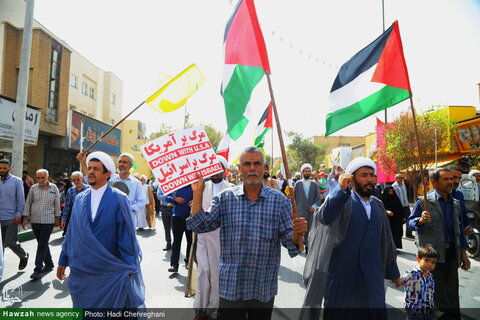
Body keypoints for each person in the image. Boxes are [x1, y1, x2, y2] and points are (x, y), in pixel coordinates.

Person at [187, 146, 308, 320]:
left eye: (257, 164)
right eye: (247, 164)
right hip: (230, 285)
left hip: (262, 286)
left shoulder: (279, 201)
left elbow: (290, 243)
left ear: (264, 168)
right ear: (240, 169)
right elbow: (200, 226)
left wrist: (297, 234)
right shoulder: (225, 198)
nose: (252, 168)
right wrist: (197, 193)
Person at [301, 157, 401, 320]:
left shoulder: (378, 205)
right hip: (344, 278)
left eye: (371, 175)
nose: (369, 179)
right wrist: (340, 190)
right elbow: (325, 217)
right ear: (351, 178)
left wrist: (394, 273)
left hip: (373, 281)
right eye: (363, 175)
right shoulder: (342, 201)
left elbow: (387, 242)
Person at [57, 151, 145, 308]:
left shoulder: (119, 198)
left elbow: (125, 235)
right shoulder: (80, 198)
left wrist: (129, 264)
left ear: (108, 174)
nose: (90, 172)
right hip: (82, 269)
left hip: (108, 267)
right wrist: (63, 259)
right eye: (90, 168)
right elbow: (72, 232)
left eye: (96, 169)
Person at [408, 168, 471, 320]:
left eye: (451, 179)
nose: (451, 182)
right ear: (434, 183)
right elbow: (411, 223)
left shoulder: (455, 203)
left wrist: (463, 253)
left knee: (451, 291)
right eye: (446, 179)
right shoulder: (424, 202)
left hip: (451, 254)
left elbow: (459, 230)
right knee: (437, 291)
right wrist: (420, 221)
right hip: (433, 255)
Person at [194, 155, 234, 320]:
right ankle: (201, 309)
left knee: (217, 274)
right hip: (203, 235)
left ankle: (216, 308)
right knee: (203, 270)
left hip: (221, 237)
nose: (215, 172)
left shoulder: (231, 188)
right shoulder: (202, 187)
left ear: (224, 170)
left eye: (219, 169)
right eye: (212, 168)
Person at [77, 152, 146, 222]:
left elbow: (142, 201)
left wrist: (130, 209)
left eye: (125, 162)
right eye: (120, 161)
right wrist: (82, 162)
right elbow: (91, 180)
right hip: (108, 219)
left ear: (131, 165)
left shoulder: (136, 183)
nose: (121, 164)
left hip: (127, 219)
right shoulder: (109, 178)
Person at [22, 169, 61, 280]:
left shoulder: (54, 188)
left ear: (47, 177)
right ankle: (49, 264)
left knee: (42, 244)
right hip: (35, 220)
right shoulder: (33, 188)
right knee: (42, 244)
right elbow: (28, 203)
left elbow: (57, 204)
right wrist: (25, 218)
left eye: (42, 177)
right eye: (38, 178)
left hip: (48, 221)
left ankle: (38, 269)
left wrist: (57, 218)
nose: (40, 180)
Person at [0, 159, 29, 271]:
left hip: (11, 217)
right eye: (0, 168)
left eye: (4, 168)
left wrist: (18, 215)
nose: (2, 170)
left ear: (10, 168)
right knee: (0, 245)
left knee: (10, 242)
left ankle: (23, 256)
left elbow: (20, 200)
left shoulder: (16, 181)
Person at [401, 245, 438, 320]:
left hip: (428, 310)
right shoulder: (412, 273)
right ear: (418, 259)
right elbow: (401, 280)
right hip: (414, 310)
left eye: (433, 262)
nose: (430, 264)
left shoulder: (430, 276)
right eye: (426, 260)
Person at [293, 163, 321, 254]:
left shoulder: (314, 184)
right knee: (300, 230)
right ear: (302, 172)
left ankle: (308, 247)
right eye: (306, 171)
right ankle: (299, 245)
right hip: (300, 211)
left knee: (310, 230)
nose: (307, 172)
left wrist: (314, 207)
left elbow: (318, 199)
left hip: (311, 212)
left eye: (309, 171)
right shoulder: (298, 184)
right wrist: (294, 211)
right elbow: (294, 199)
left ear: (310, 173)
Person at [166, 184, 193, 273]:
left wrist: (195, 200)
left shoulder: (194, 185)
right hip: (177, 217)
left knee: (190, 241)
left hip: (191, 217)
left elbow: (202, 196)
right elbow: (167, 196)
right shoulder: (176, 184)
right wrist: (174, 199)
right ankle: (174, 264)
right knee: (176, 241)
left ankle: (188, 261)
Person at [60, 171, 89, 235]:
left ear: (82, 179)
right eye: (74, 180)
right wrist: (63, 219)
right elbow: (67, 206)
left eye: (78, 179)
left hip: (87, 220)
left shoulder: (89, 190)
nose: (76, 181)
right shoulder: (70, 190)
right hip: (75, 219)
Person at [447, 165, 473, 235]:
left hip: (459, 241)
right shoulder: (429, 198)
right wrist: (421, 221)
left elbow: (464, 215)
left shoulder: (459, 195)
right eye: (454, 177)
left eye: (459, 178)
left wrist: (468, 226)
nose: (457, 181)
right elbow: (414, 222)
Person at [393, 173, 414, 239]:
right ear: (396, 179)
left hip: (406, 205)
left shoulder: (403, 185)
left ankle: (409, 234)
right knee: (400, 221)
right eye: (399, 178)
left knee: (409, 219)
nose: (400, 179)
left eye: (401, 178)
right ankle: (398, 234)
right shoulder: (393, 186)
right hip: (399, 206)